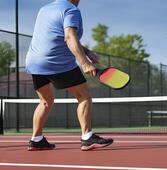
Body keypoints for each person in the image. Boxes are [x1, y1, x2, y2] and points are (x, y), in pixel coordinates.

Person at [25, 0, 113, 151]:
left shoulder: (44, 9)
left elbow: (55, 35)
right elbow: (69, 37)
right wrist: (84, 62)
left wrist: (86, 51)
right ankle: (87, 137)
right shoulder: (71, 10)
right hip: (56, 61)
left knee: (45, 101)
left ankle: (36, 139)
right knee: (83, 95)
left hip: (34, 62)